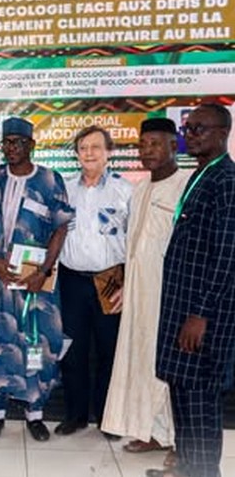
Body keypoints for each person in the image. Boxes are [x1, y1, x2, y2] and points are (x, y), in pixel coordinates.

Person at [0, 117, 74, 443]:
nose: (11, 148)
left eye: (18, 142)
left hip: (35, 284)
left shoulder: (49, 180)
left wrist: (43, 270)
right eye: (6, 142)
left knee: (36, 342)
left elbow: (60, 227)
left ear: (32, 145)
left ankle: (35, 413)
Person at [148, 104, 235, 477]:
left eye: (200, 129)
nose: (192, 134)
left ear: (222, 133)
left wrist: (201, 314)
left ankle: (202, 472)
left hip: (202, 317)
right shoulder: (201, 175)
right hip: (180, 308)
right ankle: (185, 467)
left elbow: (227, 254)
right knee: (181, 391)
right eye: (189, 128)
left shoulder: (227, 182)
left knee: (199, 400)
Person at [102, 118, 189, 460]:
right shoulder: (139, 190)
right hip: (139, 297)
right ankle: (153, 432)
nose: (147, 151)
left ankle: (181, 442)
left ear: (173, 146)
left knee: (172, 370)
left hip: (171, 298)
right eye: (143, 145)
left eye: (156, 144)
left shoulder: (186, 186)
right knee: (143, 364)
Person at [55, 126, 132, 439]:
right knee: (72, 350)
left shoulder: (125, 190)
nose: (89, 153)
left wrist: (129, 283)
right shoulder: (64, 189)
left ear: (108, 152)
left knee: (109, 351)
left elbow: (135, 241)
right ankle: (75, 416)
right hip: (72, 278)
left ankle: (107, 417)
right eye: (83, 147)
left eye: (96, 147)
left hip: (111, 278)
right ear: (76, 153)